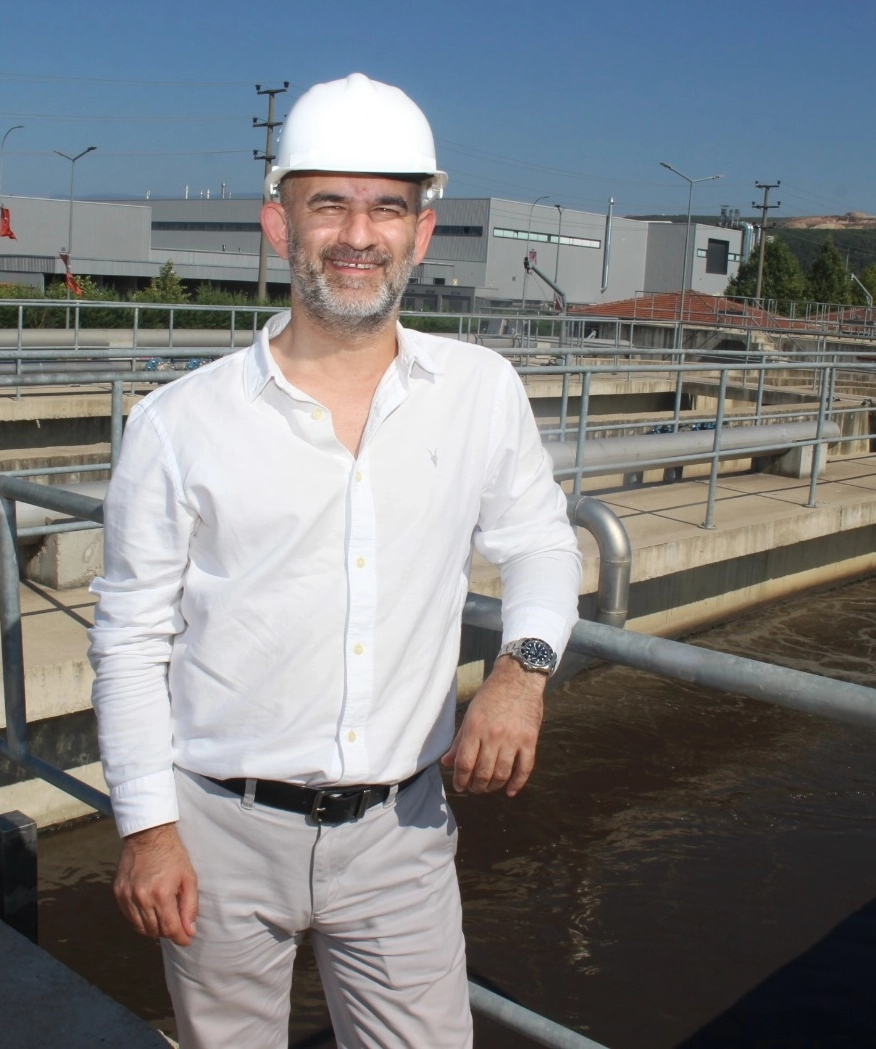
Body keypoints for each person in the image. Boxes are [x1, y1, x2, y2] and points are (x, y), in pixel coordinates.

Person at [88, 72, 582, 1048]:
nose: (359, 235)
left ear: (421, 231)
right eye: (329, 205)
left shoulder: (480, 391)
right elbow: (130, 638)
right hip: (219, 832)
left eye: (387, 208)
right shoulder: (178, 424)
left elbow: (539, 543)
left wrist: (521, 674)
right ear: (279, 223)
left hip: (402, 835)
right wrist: (147, 830)